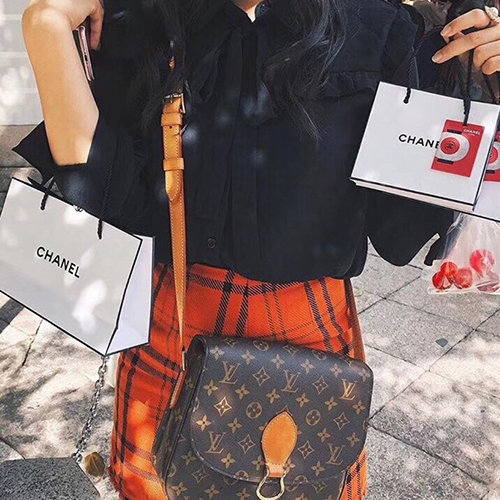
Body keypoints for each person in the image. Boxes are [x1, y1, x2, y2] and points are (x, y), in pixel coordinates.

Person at [13, 1, 500, 499]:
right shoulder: (144, 18)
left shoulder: (375, 26)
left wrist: (483, 86)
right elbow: (105, 204)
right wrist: (46, 25)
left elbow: (401, 233)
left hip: (308, 337)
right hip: (171, 327)